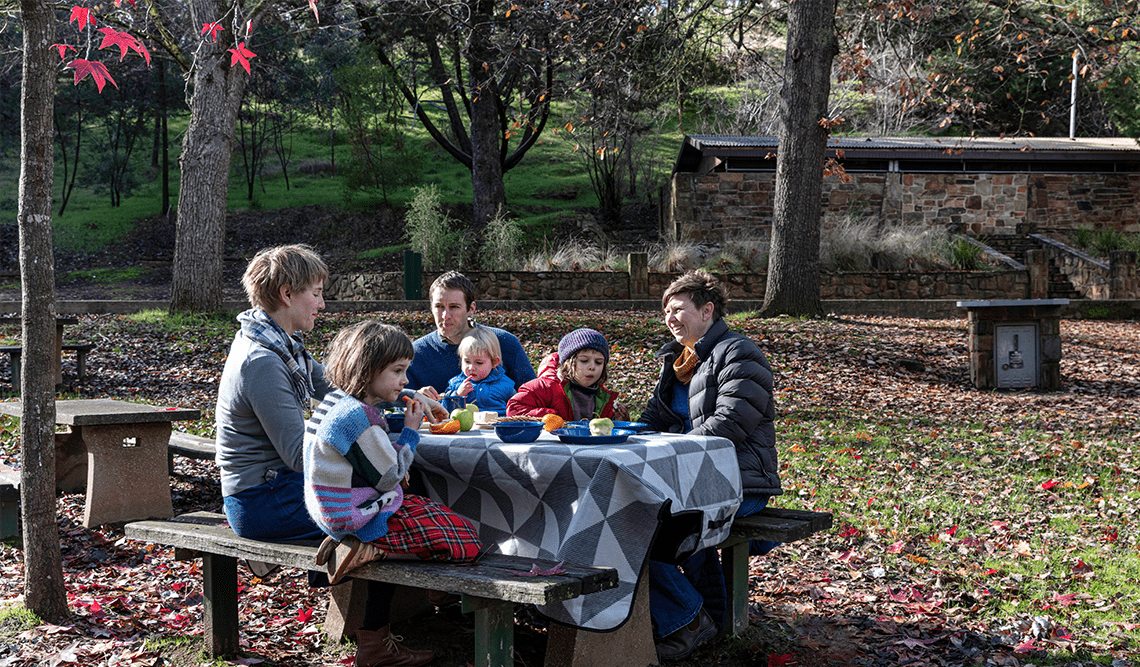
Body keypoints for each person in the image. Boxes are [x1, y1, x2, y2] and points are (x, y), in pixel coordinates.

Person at [305, 320, 481, 667]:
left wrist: (410, 396)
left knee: (430, 509)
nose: (405, 380)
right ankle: (372, 548)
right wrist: (411, 432)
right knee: (467, 539)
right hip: (361, 514)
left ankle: (375, 638)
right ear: (367, 370)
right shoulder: (358, 420)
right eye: (398, 371)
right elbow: (390, 476)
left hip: (336, 507)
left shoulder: (337, 402)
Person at [639, 270, 781, 662]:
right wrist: (624, 435)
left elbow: (730, 424)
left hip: (739, 482)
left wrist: (672, 451)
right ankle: (697, 614)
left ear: (707, 311)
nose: (670, 316)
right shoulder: (678, 361)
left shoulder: (740, 353)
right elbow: (652, 418)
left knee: (650, 532)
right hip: (685, 479)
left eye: (678, 308)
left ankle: (686, 620)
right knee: (626, 519)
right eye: (665, 310)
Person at [407, 271, 535, 397]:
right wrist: (414, 396)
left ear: (471, 309)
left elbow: (534, 395)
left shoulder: (505, 342)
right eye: (439, 306)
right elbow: (395, 404)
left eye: (454, 307)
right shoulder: (415, 353)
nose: (445, 316)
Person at [505, 328, 627, 421]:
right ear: (567, 363)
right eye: (584, 361)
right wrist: (551, 418)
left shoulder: (601, 397)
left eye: (599, 362)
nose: (592, 367)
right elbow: (514, 407)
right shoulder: (546, 387)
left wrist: (616, 419)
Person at [443, 327, 517, 413]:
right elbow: (443, 411)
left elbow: (517, 408)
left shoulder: (506, 384)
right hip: (466, 425)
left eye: (479, 363)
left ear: (494, 362)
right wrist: (458, 395)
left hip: (497, 424)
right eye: (467, 361)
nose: (471, 367)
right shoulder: (456, 384)